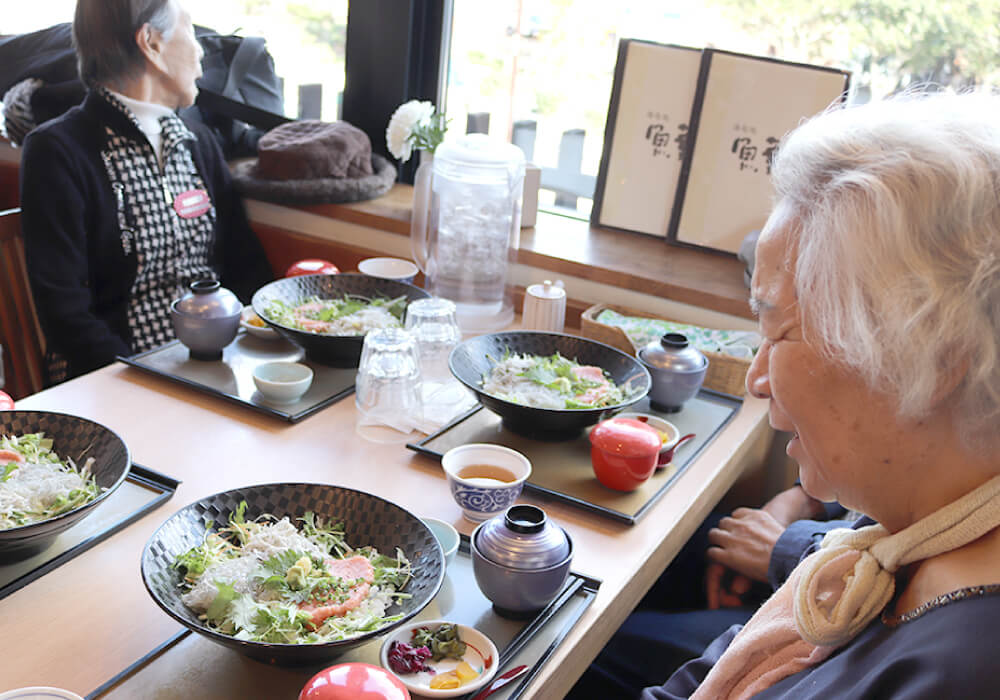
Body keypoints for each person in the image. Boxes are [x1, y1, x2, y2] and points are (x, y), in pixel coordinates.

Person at [642, 90, 1000, 698]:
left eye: (777, 331)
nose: (758, 378)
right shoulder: (916, 513)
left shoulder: (957, 670)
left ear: (932, 358)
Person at [19, 0, 271, 383]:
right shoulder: (57, 151)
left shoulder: (198, 141)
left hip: (219, 368)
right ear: (150, 43)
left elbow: (245, 263)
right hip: (111, 380)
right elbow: (65, 315)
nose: (202, 50)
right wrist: (152, 379)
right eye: (191, 32)